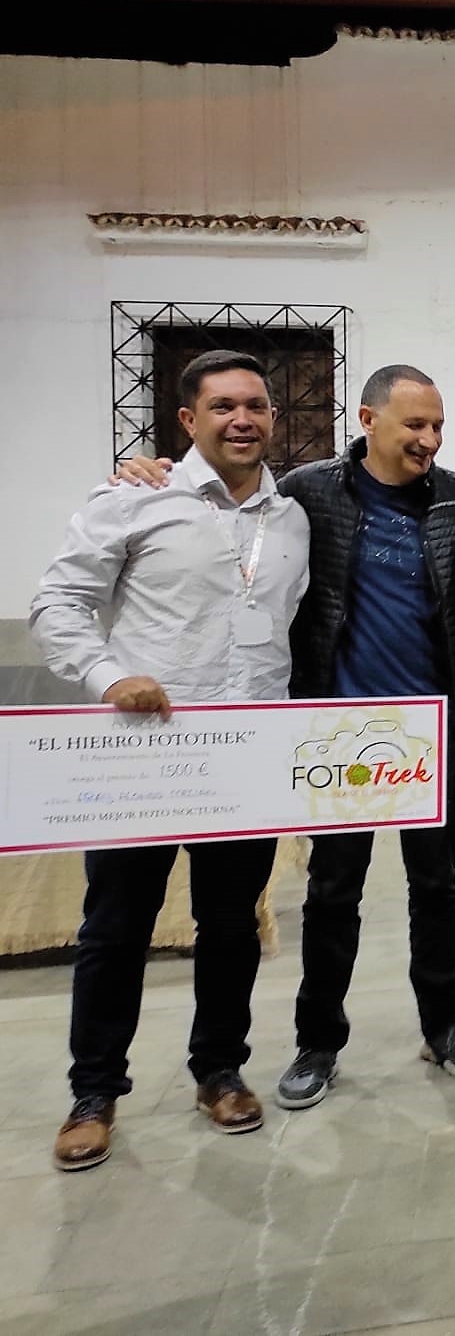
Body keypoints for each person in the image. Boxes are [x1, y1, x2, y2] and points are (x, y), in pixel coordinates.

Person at [112, 365, 455, 1109]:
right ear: (368, 420)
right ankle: (318, 1040)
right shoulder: (308, 493)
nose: (428, 439)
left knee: (437, 887)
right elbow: (230, 498)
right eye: (412, 425)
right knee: (334, 890)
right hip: (338, 728)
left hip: (435, 726)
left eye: (437, 427)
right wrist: (149, 471)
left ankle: (443, 1024)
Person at [30, 350, 311, 1171]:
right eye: (223, 406)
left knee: (230, 927)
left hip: (245, 758)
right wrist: (111, 677)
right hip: (143, 758)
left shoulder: (289, 518)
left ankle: (219, 1071)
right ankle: (94, 1092)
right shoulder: (133, 498)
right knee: (115, 928)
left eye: (256, 405)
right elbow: (59, 601)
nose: (243, 420)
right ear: (187, 420)